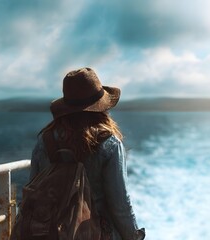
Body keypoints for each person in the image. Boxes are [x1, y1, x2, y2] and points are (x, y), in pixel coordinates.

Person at [29, 67, 145, 240]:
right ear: (101, 108)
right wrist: (133, 236)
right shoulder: (109, 143)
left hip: (50, 232)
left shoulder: (45, 140)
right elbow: (120, 205)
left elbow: (33, 191)